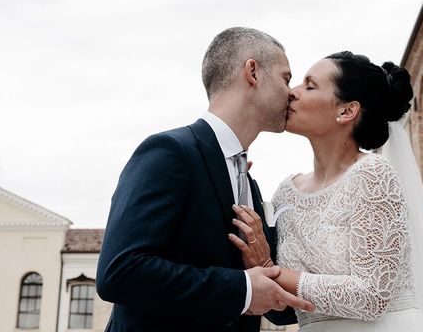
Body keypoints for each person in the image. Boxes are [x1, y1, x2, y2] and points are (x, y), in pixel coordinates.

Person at [96, 27, 314, 332]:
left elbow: (273, 307)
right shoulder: (169, 152)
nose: (291, 92)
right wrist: (242, 289)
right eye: (286, 78)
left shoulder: (249, 183)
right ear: (253, 71)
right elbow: (119, 272)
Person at [231, 51, 423, 331]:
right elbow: (284, 309)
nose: (292, 93)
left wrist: (271, 267)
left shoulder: (373, 174)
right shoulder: (286, 193)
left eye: (309, 86)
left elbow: (371, 296)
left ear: (346, 111)